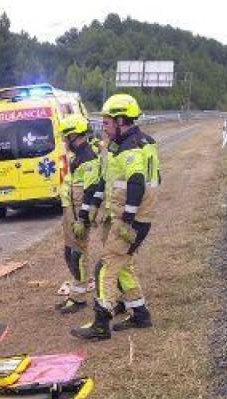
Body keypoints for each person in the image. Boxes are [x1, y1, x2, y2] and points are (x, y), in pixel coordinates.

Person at [71, 93, 160, 340]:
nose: (104, 127)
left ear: (122, 120)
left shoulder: (129, 149)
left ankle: (101, 322)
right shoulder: (144, 142)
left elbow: (136, 182)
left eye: (108, 122)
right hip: (137, 216)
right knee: (123, 265)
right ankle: (140, 313)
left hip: (131, 219)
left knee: (106, 266)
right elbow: (111, 180)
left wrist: (127, 221)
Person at [56, 116, 101, 314]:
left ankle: (79, 298)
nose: (65, 142)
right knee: (69, 253)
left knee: (78, 255)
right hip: (71, 213)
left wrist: (82, 218)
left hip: (79, 215)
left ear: (74, 135)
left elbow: (91, 191)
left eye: (67, 138)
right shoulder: (77, 157)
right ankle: (76, 292)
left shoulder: (88, 157)